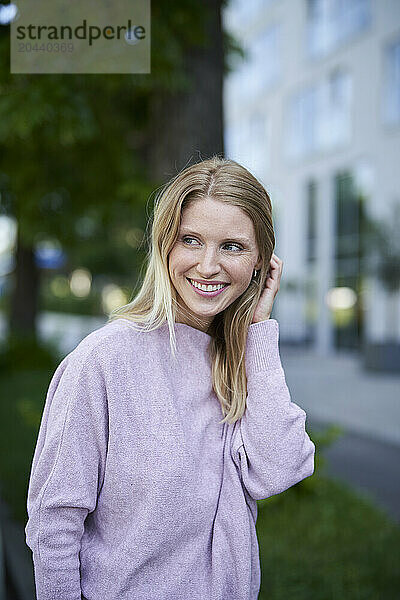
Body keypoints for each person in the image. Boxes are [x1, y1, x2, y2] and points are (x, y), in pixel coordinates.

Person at [25, 155, 315, 600]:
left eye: (233, 246)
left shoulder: (241, 361)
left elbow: (277, 470)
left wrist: (258, 331)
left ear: (262, 262)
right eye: (191, 240)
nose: (208, 265)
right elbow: (54, 525)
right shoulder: (102, 361)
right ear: (165, 247)